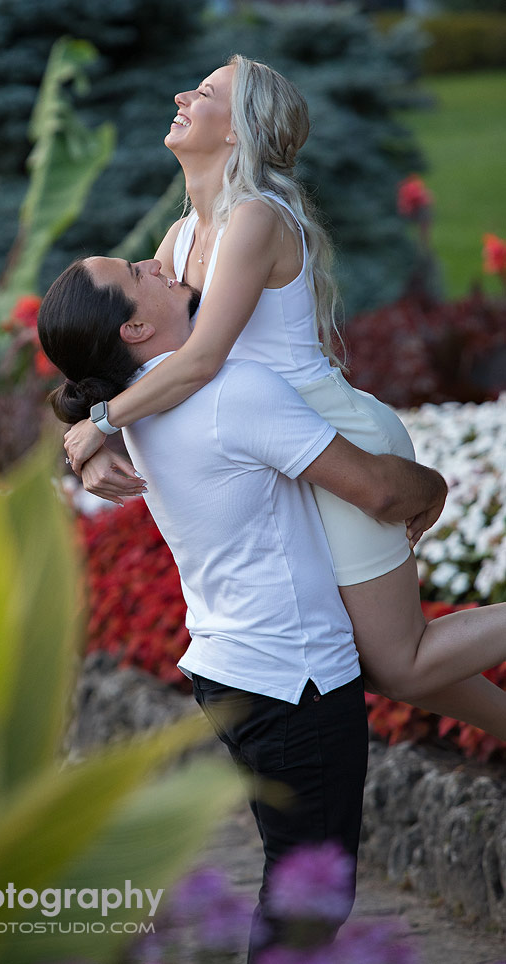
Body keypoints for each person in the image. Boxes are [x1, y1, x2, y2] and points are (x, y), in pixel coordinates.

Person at [60, 55, 506, 739]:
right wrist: (96, 446)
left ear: (237, 132)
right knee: (386, 663)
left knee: (400, 665)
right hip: (281, 452)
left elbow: (202, 359)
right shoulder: (177, 241)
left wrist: (102, 423)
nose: (180, 94)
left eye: (203, 92)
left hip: (337, 443)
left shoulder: (254, 221)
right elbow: (139, 361)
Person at [36, 256, 447, 960]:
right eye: (140, 272)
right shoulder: (229, 394)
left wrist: (91, 435)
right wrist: (432, 487)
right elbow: (376, 492)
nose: (162, 264)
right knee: (306, 906)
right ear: (135, 326)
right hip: (293, 678)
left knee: (301, 892)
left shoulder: (143, 402)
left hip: (238, 670)